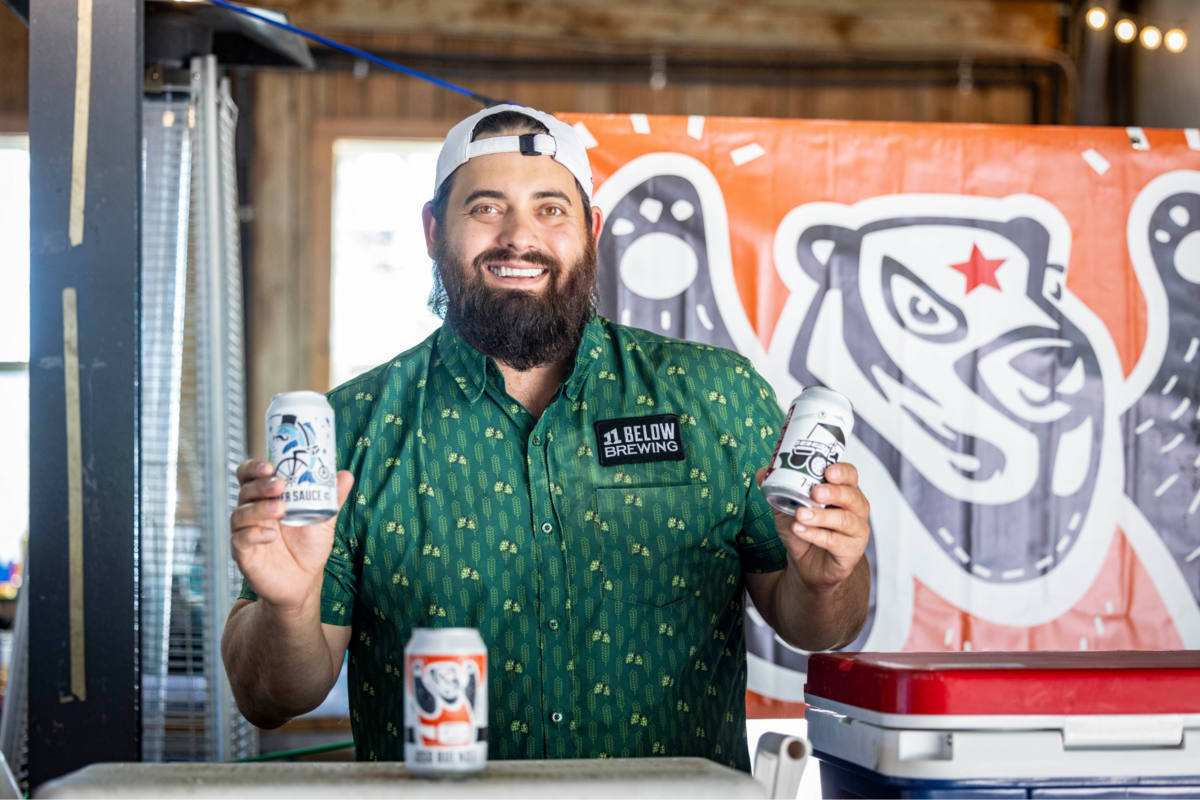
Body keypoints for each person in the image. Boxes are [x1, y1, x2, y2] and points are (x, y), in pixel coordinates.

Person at [221, 105, 871, 769]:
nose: (519, 237)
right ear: (432, 230)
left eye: (551, 209)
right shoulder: (350, 429)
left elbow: (817, 628)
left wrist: (827, 581)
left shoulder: (713, 395)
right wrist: (288, 607)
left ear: (591, 230)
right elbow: (268, 699)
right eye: (486, 207)